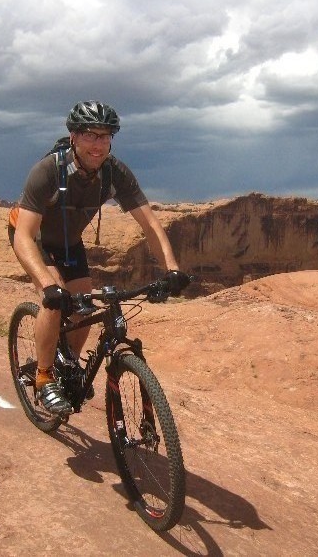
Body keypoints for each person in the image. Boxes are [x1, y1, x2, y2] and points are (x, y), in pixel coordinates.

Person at [10, 100, 190, 415]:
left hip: (68, 242)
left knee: (83, 304)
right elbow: (24, 236)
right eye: (90, 135)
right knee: (55, 301)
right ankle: (43, 377)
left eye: (105, 136)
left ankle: (69, 363)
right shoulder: (48, 171)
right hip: (33, 237)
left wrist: (172, 270)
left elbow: (150, 225)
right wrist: (47, 284)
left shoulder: (114, 173)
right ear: (74, 137)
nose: (98, 144)